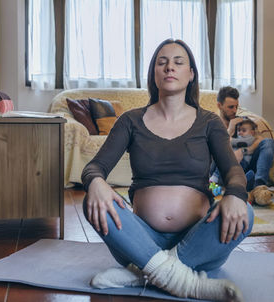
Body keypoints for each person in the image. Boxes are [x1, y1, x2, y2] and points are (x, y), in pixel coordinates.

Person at [81, 39, 253, 302]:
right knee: (93, 200)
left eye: (178, 62)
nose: (169, 67)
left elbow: (233, 170)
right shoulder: (131, 120)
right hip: (138, 241)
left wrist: (234, 195)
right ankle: (186, 282)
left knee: (246, 213)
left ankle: (143, 274)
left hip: (197, 241)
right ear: (154, 74)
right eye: (162, 62)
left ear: (191, 73)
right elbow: (95, 167)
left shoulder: (209, 122)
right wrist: (95, 181)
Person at [216, 86, 274, 190]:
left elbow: (260, 139)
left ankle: (259, 186)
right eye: (231, 107)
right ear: (219, 105)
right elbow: (214, 151)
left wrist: (244, 150)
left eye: (236, 107)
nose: (235, 111)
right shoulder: (212, 123)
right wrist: (230, 130)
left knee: (269, 142)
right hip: (226, 169)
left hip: (248, 163)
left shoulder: (243, 120)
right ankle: (242, 184)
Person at [210, 119, 259, 190]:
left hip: (243, 162)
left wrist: (229, 139)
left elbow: (241, 142)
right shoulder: (238, 139)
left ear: (252, 132)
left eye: (244, 130)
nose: (240, 133)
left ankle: (216, 176)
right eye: (239, 130)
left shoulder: (250, 139)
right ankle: (218, 183)